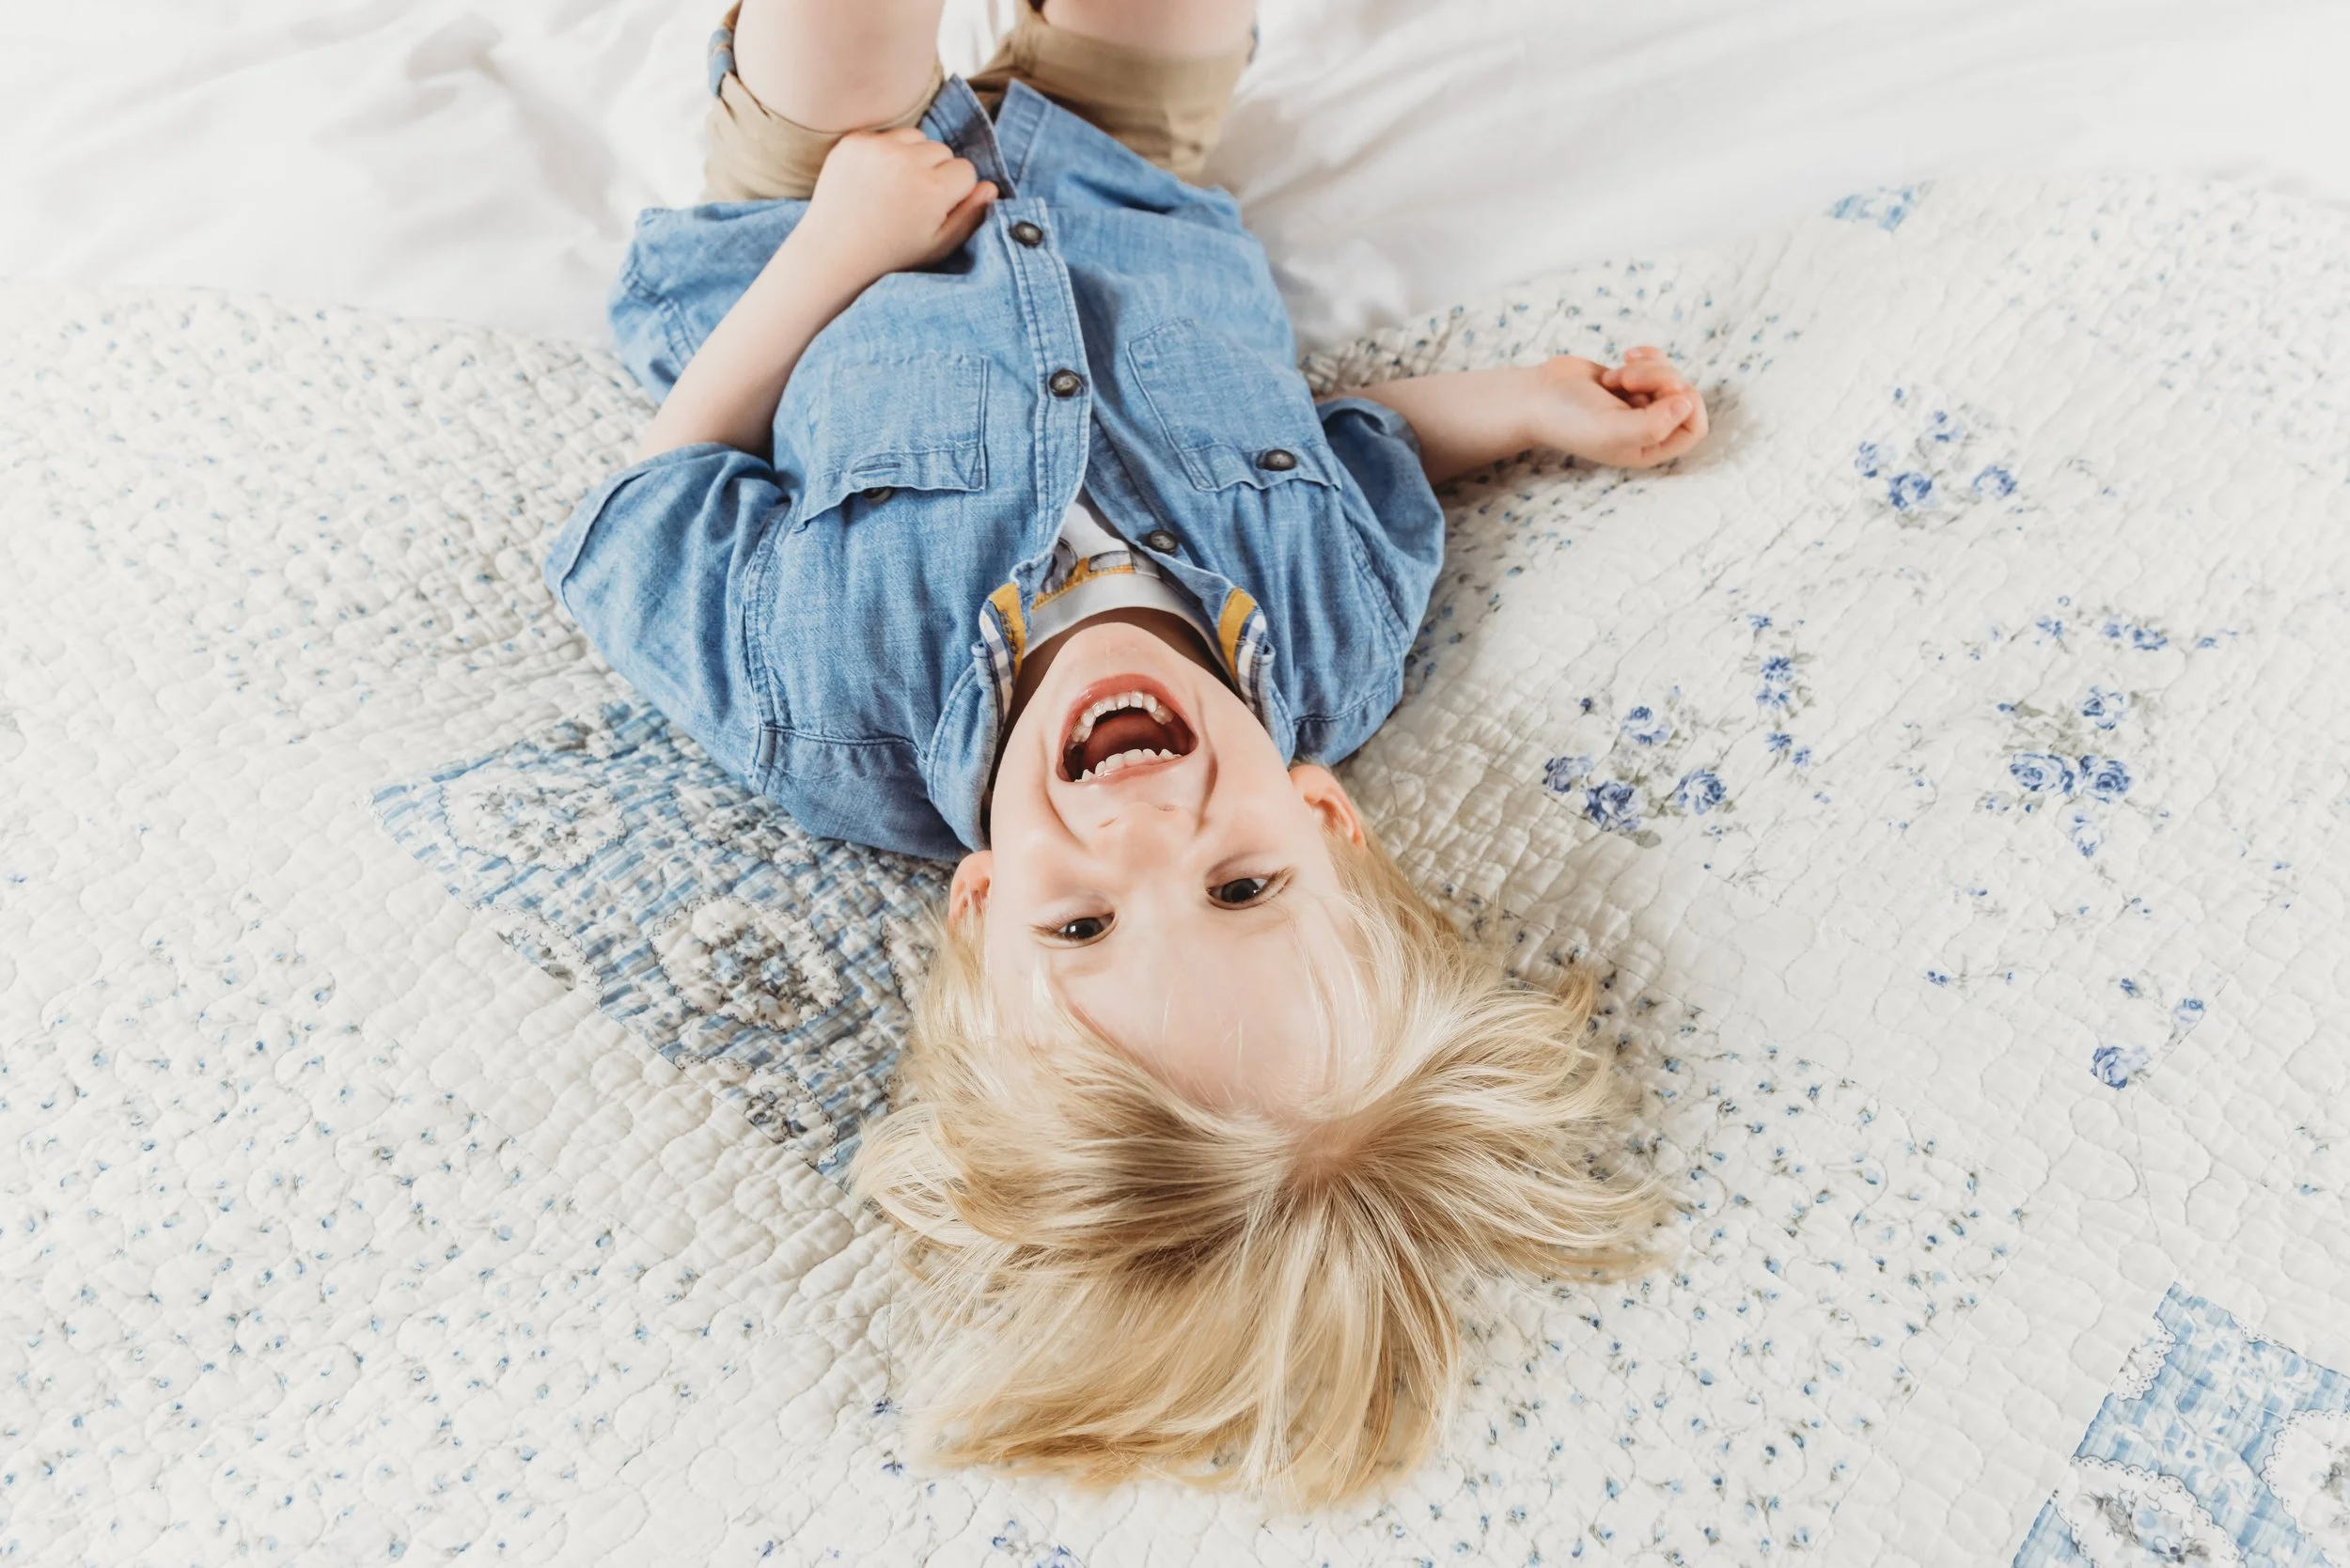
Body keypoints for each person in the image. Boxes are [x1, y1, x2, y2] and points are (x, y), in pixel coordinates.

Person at [542, 0, 1709, 1507]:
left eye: (1082, 925)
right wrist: (1519, 411)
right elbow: (1349, 450)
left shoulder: (830, 705)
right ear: (1326, 820)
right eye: (1242, 887)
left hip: (823, 207)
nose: (1150, 831)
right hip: (1124, 168)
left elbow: (633, 524)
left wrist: (836, 247)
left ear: (980, 906)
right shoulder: (1339, 630)